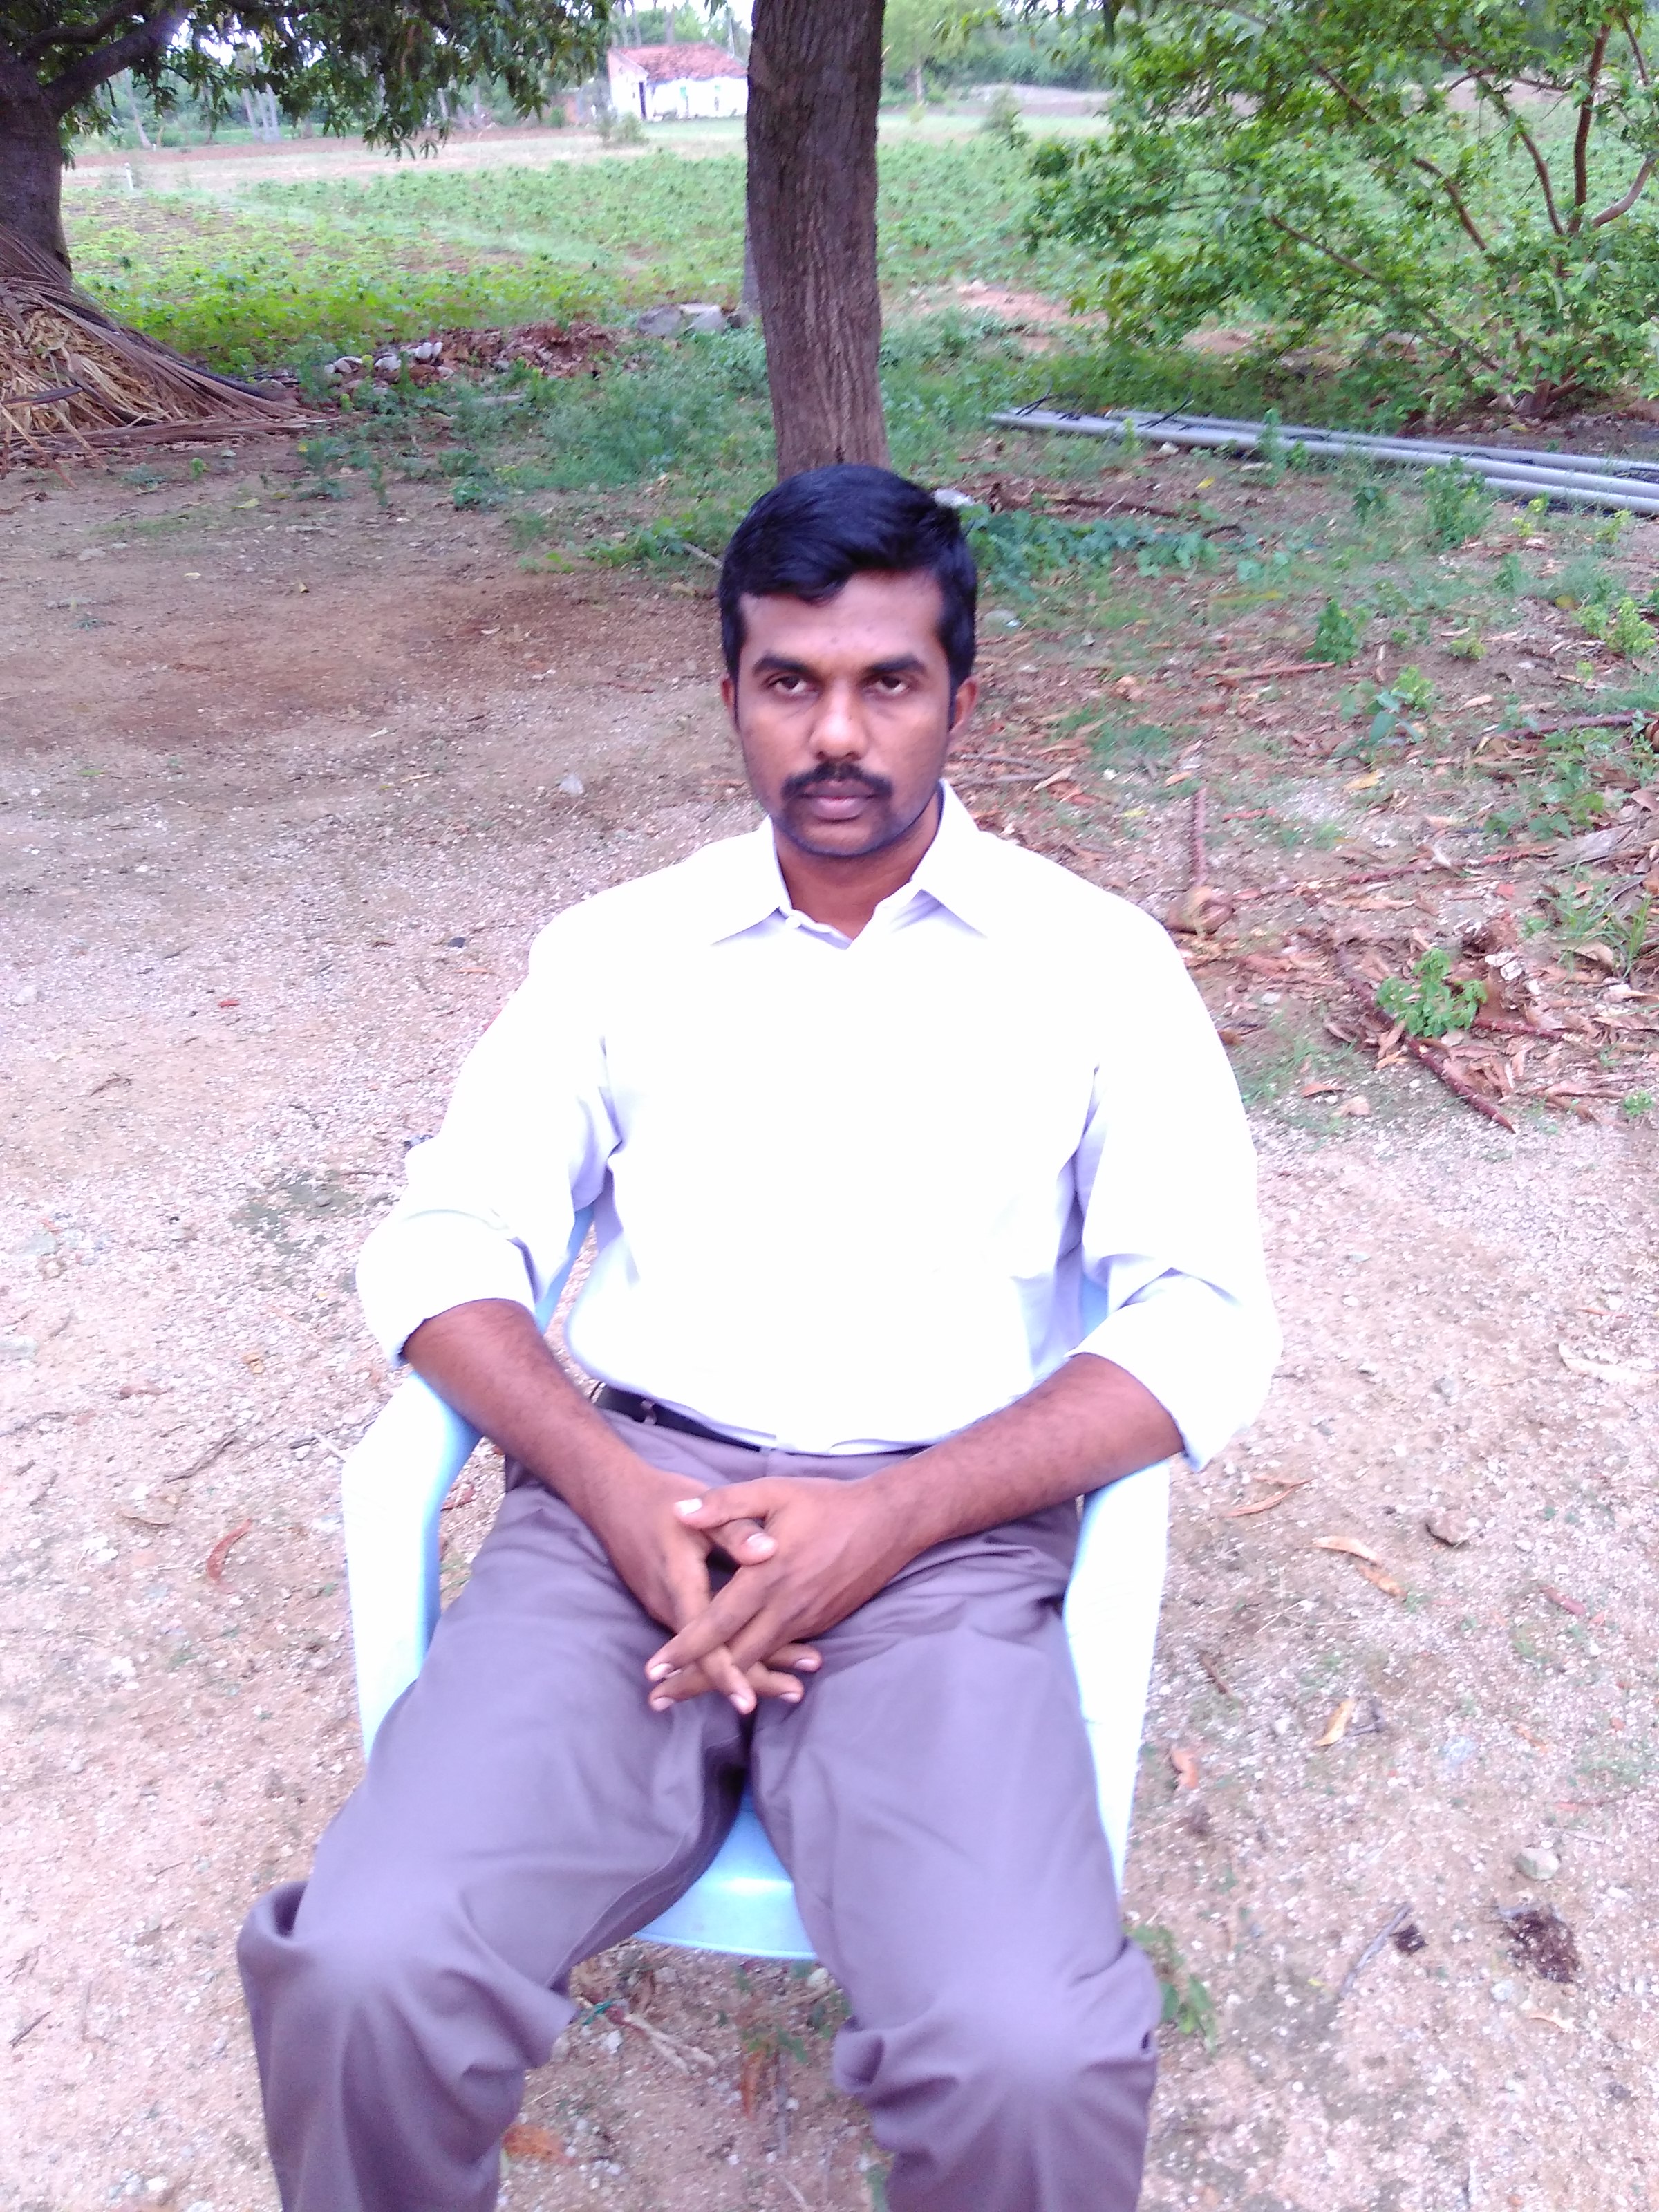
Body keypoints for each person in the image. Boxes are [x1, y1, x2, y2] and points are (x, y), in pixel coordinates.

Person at [238, 462, 1279, 2212]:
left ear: (962, 697)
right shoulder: (621, 951)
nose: (838, 734)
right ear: (731, 690)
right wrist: (608, 1483)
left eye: (890, 682)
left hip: (938, 1540)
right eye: (790, 681)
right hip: (623, 1520)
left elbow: (1202, 1314)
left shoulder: (1094, 966)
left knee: (1028, 2055)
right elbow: (445, 1242)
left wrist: (900, 1514)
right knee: (368, 1968)